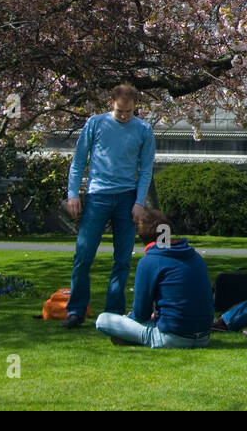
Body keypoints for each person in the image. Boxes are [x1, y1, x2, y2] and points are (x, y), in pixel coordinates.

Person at [63, 83, 156, 329]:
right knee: (83, 255)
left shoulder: (144, 130)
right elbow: (78, 160)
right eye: (119, 112)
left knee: (123, 259)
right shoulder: (95, 124)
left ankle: (114, 311)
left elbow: (146, 169)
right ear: (111, 105)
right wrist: (73, 194)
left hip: (127, 197)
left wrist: (139, 202)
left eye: (129, 112)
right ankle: (76, 310)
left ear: (136, 107)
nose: (124, 116)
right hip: (97, 196)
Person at [95, 209, 214, 348]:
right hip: (204, 337)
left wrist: (130, 318)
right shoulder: (195, 256)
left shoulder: (150, 261)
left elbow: (141, 314)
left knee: (103, 320)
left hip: (171, 337)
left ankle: (133, 337)